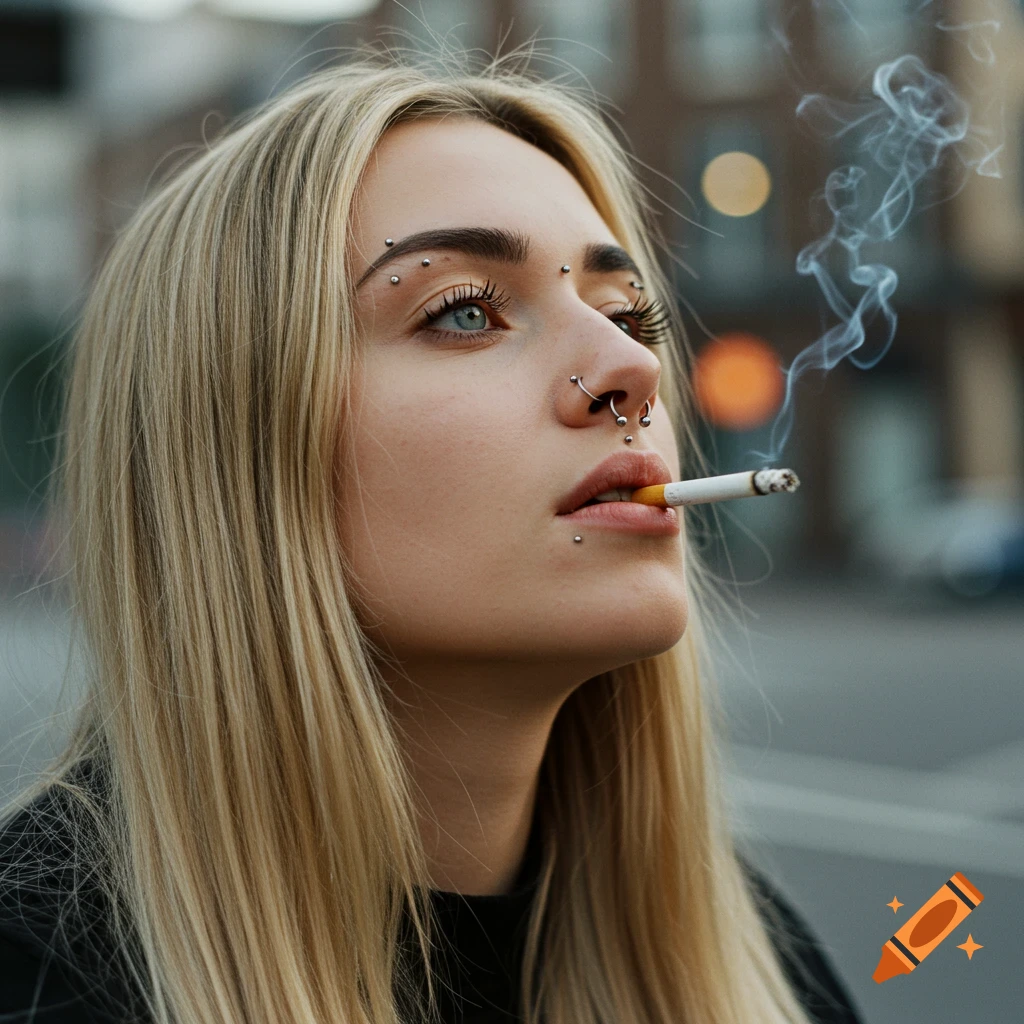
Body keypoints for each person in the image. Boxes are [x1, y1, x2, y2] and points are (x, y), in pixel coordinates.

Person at [0, 40, 864, 1024]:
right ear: (230, 450)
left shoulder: (758, 970)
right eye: (462, 312)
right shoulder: (38, 981)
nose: (629, 366)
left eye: (628, 311)